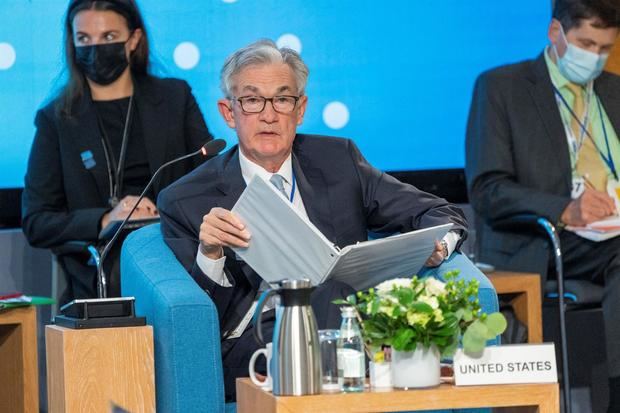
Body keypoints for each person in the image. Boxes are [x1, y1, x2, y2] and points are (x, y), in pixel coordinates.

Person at [159, 39, 484, 401]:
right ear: (229, 112)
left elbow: (439, 212)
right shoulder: (186, 197)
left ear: (300, 110)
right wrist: (211, 254)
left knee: (339, 294)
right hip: (258, 344)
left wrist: (439, 245)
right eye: (252, 101)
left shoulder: (338, 161)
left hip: (348, 329)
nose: (269, 115)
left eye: (282, 99)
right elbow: (195, 327)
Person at [465, 0, 620, 409]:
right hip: (544, 238)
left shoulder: (615, 91)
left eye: (605, 48)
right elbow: (487, 190)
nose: (596, 58)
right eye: (587, 43)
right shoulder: (503, 87)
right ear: (556, 32)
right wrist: (565, 209)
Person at [22, 0, 213, 303]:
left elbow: (211, 180)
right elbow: (37, 221)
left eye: (109, 37)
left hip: (177, 264)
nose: (95, 47)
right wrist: (105, 219)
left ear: (134, 39)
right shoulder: (56, 119)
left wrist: (162, 212)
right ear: (72, 42)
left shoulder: (175, 98)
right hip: (100, 280)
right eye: (84, 39)